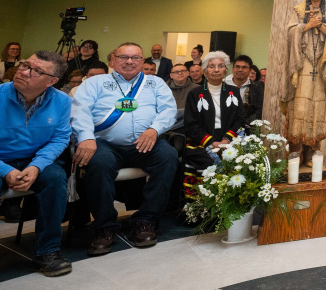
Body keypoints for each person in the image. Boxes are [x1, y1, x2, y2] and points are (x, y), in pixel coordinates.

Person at [0, 51, 73, 290]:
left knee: (55, 178)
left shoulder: (61, 101)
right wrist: (5, 171)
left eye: (35, 70)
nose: (24, 71)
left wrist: (37, 166)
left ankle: (47, 251)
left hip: (32, 159)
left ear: (52, 81)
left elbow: (60, 138)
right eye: (25, 64)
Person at [71, 42, 179, 256]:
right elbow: (80, 111)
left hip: (146, 143)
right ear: (112, 60)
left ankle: (146, 221)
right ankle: (104, 227)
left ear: (142, 61)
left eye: (135, 58)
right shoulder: (95, 83)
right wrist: (86, 137)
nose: (130, 61)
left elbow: (168, 110)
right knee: (98, 163)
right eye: (123, 57)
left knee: (169, 155)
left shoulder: (155, 83)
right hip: (105, 144)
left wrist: (154, 130)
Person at [279, 0, 326, 158]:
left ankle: (312, 152)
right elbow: (290, 32)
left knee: (318, 109)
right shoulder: (298, 10)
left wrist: (321, 25)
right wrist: (306, 26)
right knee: (300, 107)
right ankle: (296, 152)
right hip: (303, 65)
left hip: (322, 65)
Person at [180, 51, 247, 199]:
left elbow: (240, 120)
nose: (216, 70)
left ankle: (231, 204)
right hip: (201, 141)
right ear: (205, 71)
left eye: (220, 66)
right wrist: (211, 142)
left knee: (243, 161)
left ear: (226, 70)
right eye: (211, 66)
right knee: (208, 160)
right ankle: (201, 205)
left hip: (228, 139)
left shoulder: (234, 92)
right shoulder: (194, 93)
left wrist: (225, 141)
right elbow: (191, 124)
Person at [225, 54, 262, 123]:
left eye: (244, 67)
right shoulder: (224, 85)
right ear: (233, 69)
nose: (240, 70)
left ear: (250, 70)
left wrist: (244, 124)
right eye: (237, 67)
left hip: (248, 126)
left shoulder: (256, 87)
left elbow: (259, 110)